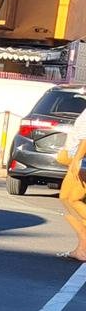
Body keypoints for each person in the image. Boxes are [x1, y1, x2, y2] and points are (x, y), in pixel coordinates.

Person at [58, 108, 86, 261]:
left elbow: (85, 138)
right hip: (79, 159)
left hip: (81, 160)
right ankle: (82, 248)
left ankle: (83, 246)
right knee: (68, 199)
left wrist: (76, 161)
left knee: (71, 199)